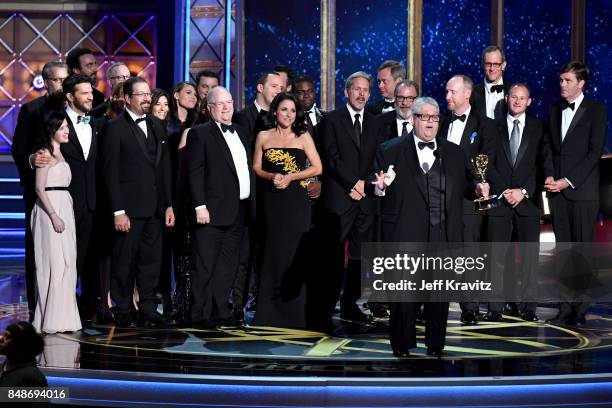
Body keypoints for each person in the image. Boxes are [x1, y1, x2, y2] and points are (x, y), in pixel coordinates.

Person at [370, 97, 487, 357]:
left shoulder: (454, 152)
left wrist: (478, 188)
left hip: (443, 235)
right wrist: (378, 187)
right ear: (413, 120)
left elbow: (467, 186)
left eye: (435, 117)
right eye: (425, 117)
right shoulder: (390, 150)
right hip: (405, 234)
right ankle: (402, 345)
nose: (431, 122)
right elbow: (373, 183)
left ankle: (435, 345)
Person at [102, 77, 175, 328]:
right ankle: (122, 309)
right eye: (141, 95)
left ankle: (147, 307)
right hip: (128, 209)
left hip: (155, 208)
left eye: (148, 94)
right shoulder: (114, 128)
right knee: (124, 261)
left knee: (151, 261)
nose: (147, 99)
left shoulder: (157, 125)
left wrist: (168, 205)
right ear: (127, 98)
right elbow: (109, 173)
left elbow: (164, 168)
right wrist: (118, 210)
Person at [483, 83, 553, 322]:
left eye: (522, 98)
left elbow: (541, 165)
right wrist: (505, 191)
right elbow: (487, 164)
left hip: (528, 203)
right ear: (507, 99)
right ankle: (495, 307)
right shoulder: (493, 127)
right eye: (514, 97)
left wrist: (523, 191)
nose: (517, 101)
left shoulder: (538, 128)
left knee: (529, 260)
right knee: (497, 258)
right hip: (500, 202)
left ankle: (528, 307)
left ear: (529, 102)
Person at [251, 92, 322, 328]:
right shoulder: (263, 136)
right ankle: (268, 313)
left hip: (296, 204)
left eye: (293, 111)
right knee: (272, 253)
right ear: (275, 111)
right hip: (272, 202)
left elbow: (317, 167)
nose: (289, 115)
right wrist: (272, 176)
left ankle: (295, 314)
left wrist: (291, 176)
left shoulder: (303, 136)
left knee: (294, 254)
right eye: (284, 110)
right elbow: (256, 167)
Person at [544, 61, 607, 326]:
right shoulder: (555, 108)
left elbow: (594, 154)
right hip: (557, 194)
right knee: (564, 252)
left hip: (581, 193)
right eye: (560, 80)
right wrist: (548, 175)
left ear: (581, 83)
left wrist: (567, 182)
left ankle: (580, 308)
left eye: (567, 81)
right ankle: (564, 306)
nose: (562, 85)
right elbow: (548, 145)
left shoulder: (596, 110)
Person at [187, 86, 255, 328]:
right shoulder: (200, 133)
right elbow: (194, 173)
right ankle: (200, 314)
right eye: (220, 104)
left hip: (239, 211)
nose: (227, 108)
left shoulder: (241, 131)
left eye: (229, 102)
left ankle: (219, 310)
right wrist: (200, 206)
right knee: (204, 264)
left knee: (227, 266)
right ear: (209, 108)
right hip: (211, 212)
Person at [318, 71, 381, 323]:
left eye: (366, 89)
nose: (361, 94)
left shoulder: (377, 123)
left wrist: (363, 185)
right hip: (339, 198)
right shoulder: (331, 120)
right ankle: (325, 303)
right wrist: (353, 183)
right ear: (346, 91)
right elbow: (331, 157)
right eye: (357, 89)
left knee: (358, 255)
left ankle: (350, 304)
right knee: (332, 254)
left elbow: (378, 158)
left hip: (365, 199)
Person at [438, 74, 497, 325]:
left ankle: (469, 307)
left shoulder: (486, 125)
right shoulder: (440, 122)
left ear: (466, 94)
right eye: (447, 91)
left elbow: (486, 161)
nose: (447, 96)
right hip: (438, 196)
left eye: (452, 92)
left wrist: (477, 184)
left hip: (467, 199)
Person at [12, 60, 68, 319]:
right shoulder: (32, 110)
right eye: (58, 80)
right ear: (46, 82)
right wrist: (32, 160)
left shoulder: (79, 107)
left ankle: (69, 302)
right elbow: (19, 148)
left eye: (66, 79)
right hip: (42, 187)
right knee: (39, 247)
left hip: (71, 186)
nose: (62, 84)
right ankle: (39, 305)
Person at [31, 111, 81, 334]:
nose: (66, 131)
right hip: (50, 209)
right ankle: (49, 318)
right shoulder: (44, 154)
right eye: (62, 128)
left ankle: (64, 318)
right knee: (53, 263)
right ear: (52, 130)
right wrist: (53, 215)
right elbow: (39, 189)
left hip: (65, 206)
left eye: (67, 127)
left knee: (67, 262)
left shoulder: (62, 154)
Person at [233, 71, 285, 145]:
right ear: (260, 88)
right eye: (274, 86)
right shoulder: (242, 117)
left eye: (281, 88)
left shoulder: (282, 117)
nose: (279, 91)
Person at [0, 321, 48, 397]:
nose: (1, 339)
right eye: (2, 335)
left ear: (20, 344)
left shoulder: (33, 377)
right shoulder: (2, 368)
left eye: (7, 337)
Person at [470, 46, 512, 120]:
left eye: (496, 64)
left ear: (503, 65)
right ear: (483, 65)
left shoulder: (513, 91)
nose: (492, 69)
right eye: (488, 64)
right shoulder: (472, 93)